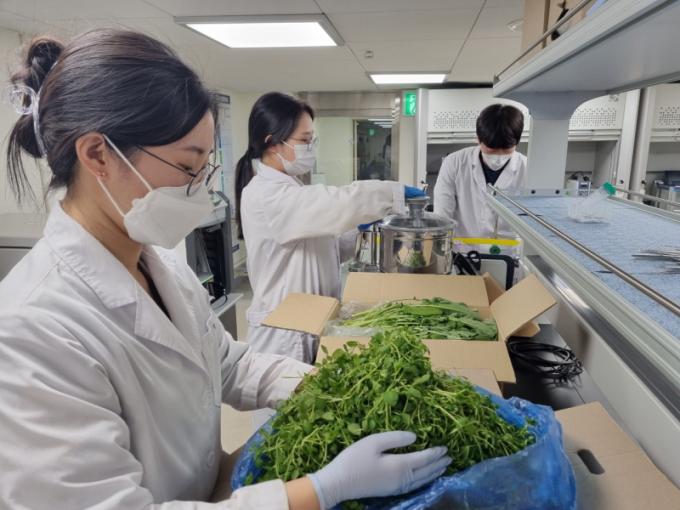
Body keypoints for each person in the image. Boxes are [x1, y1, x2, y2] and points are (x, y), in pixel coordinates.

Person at [0, 30, 450, 510]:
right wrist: (319, 491)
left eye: (206, 167)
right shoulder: (31, 329)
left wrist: (334, 387)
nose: (201, 188)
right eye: (187, 166)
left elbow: (229, 363)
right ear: (97, 155)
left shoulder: (164, 269)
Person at [236, 92, 424, 364]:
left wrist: (358, 230)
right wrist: (391, 194)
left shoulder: (290, 188)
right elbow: (339, 201)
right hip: (284, 336)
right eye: (304, 141)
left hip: (310, 320)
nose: (310, 147)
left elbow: (327, 249)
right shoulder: (266, 195)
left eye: (312, 140)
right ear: (273, 143)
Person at [433, 103, 528, 240]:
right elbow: (442, 217)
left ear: (517, 142)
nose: (499, 155)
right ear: (478, 138)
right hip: (464, 249)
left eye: (506, 149)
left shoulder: (528, 168)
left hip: (510, 249)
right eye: (491, 149)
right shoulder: (454, 163)